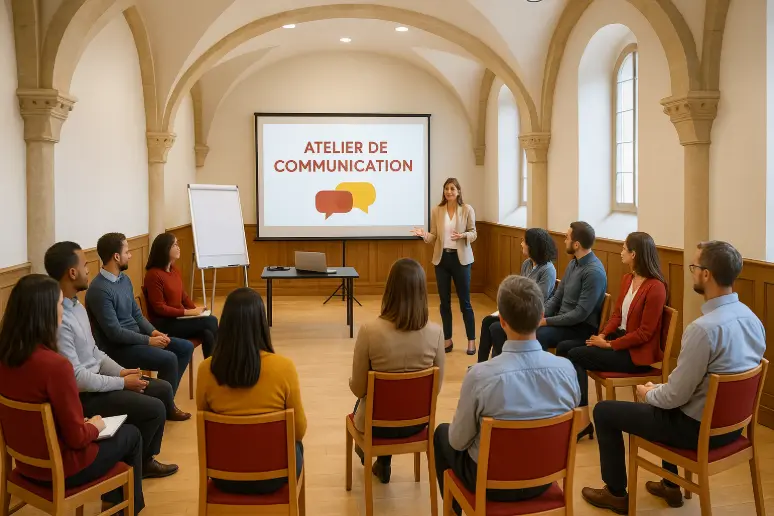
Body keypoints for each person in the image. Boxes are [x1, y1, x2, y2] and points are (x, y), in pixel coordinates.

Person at [582, 241, 766, 514]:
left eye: (694, 267)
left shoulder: (702, 330)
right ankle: (670, 485)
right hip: (733, 429)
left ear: (706, 275)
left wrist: (647, 392)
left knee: (606, 411)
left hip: (696, 431)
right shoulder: (753, 320)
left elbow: (674, 397)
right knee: (662, 398)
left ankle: (615, 493)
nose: (692, 272)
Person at [434, 275, 580, 516]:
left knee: (442, 434)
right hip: (544, 478)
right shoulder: (566, 370)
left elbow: (458, 441)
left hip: (491, 484)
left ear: (501, 321)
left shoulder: (481, 376)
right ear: (540, 316)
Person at [0, 275, 145, 514]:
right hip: (64, 468)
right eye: (59, 306)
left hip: (25, 465)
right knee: (132, 434)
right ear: (44, 315)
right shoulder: (55, 366)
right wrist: (95, 425)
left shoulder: (6, 358)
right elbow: (78, 438)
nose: (62, 312)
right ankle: (128, 508)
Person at [45, 241, 182, 480]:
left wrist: (121, 373)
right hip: (86, 394)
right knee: (154, 408)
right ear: (72, 272)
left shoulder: (76, 306)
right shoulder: (60, 318)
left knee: (162, 389)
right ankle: (133, 463)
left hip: (101, 378)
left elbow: (94, 352)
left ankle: (144, 460)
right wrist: (121, 383)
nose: (90, 270)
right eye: (85, 265)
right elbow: (78, 378)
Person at [196, 288, 306, 495]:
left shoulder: (206, 370)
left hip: (223, 476)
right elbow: (299, 431)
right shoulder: (284, 368)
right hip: (275, 475)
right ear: (261, 324)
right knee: (298, 447)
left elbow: (205, 427)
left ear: (225, 324)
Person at [349, 258, 445, 484]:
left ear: (389, 290)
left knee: (365, 401)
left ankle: (378, 459)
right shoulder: (436, 333)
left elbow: (358, 388)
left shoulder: (369, 331)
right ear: (422, 291)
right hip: (417, 423)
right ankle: (383, 462)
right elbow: (436, 388)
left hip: (376, 426)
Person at [566, 232, 667, 440]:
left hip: (635, 354)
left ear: (634, 254)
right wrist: (602, 335)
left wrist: (609, 346)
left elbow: (644, 333)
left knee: (574, 354)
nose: (621, 252)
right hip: (619, 340)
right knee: (566, 347)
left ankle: (582, 420)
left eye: (624, 248)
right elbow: (617, 314)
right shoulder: (628, 279)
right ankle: (577, 415)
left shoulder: (656, 287)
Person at [86, 233, 193, 419]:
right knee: (169, 359)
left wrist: (154, 331)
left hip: (137, 339)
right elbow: (115, 333)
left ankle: (163, 401)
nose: (131, 255)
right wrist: (149, 341)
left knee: (185, 347)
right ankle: (164, 407)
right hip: (118, 348)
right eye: (127, 251)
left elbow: (136, 314)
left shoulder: (124, 280)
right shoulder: (99, 290)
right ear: (116, 257)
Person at [411, 178, 477, 355]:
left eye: (452, 188)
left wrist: (463, 235)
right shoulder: (437, 210)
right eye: (446, 189)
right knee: (444, 303)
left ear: (458, 191)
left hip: (461, 260)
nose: (449, 192)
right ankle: (448, 339)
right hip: (442, 260)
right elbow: (434, 237)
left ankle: (471, 340)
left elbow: (474, 233)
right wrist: (423, 234)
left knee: (465, 303)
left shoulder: (467, 209)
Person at [481, 228, 558, 362]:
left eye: (524, 241)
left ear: (532, 246)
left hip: (531, 313)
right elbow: (519, 290)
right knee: (487, 321)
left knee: (496, 328)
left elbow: (538, 298)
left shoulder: (548, 269)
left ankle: (501, 363)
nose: (521, 244)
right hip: (519, 308)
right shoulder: (527, 264)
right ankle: (481, 363)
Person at [143, 232, 218, 358]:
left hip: (178, 319)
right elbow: (160, 308)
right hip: (164, 323)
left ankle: (213, 368)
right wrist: (188, 313)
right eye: (174, 245)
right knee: (211, 321)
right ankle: (222, 364)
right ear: (165, 249)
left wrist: (197, 311)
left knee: (207, 332)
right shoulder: (153, 275)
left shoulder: (174, 270)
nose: (178, 247)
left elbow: (183, 296)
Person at [538, 221, 607, 355]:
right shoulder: (573, 264)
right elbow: (557, 297)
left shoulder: (593, 272)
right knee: (527, 329)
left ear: (576, 245)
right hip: (564, 322)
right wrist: (540, 315)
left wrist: (546, 321)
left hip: (580, 328)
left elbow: (579, 314)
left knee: (538, 334)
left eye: (567, 237)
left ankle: (544, 374)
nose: (564, 241)